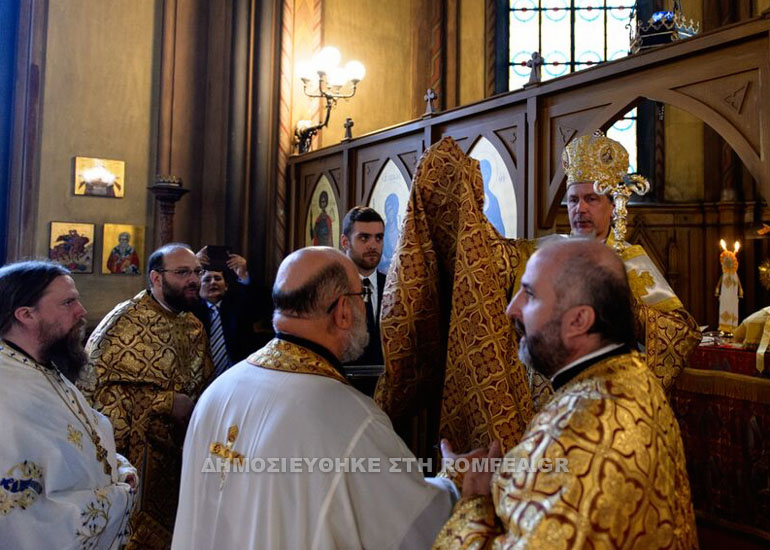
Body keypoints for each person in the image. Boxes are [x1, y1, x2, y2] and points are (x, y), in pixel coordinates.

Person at [374, 133, 700, 453]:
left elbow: (680, 331)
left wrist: (619, 302)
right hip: (535, 408)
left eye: (591, 199)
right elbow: (490, 259)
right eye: (573, 200)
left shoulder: (630, 262)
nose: (580, 209)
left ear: (613, 206)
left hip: (603, 408)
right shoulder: (542, 253)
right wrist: (462, 203)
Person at [172, 247, 462, 550]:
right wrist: (454, 483)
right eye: (359, 296)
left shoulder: (218, 391)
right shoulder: (350, 419)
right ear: (343, 311)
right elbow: (414, 528)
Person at [433, 239, 697, 549]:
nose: (511, 308)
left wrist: (474, 499)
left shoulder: (582, 431)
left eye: (529, 295)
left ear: (578, 320)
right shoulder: (627, 373)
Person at [82, 243, 214, 550]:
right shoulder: (123, 323)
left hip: (182, 456)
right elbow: (96, 396)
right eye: (182, 273)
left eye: (197, 271)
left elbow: (205, 385)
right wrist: (166, 403)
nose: (194, 280)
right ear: (156, 278)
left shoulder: (194, 325)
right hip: (139, 463)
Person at [0, 261, 136, 549]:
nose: (82, 311)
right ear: (26, 314)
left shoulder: (45, 367)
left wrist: (118, 469)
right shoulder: (7, 389)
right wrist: (118, 496)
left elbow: (83, 442)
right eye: (68, 302)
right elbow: (19, 516)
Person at [193, 248, 260, 376]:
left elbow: (258, 305)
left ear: (226, 286)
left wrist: (244, 275)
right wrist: (192, 265)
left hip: (236, 376)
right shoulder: (190, 311)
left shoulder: (238, 307)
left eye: (217, 278)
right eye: (207, 280)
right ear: (198, 287)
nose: (213, 282)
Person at [341, 206, 386, 365]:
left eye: (378, 238)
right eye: (364, 238)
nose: (373, 245)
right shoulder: (332, 288)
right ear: (345, 242)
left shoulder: (394, 287)